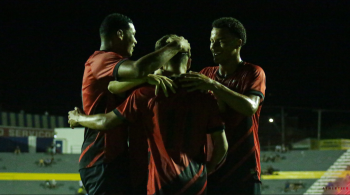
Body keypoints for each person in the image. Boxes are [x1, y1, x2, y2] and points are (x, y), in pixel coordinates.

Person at [69, 34, 228, 195]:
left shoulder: (146, 93)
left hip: (161, 184)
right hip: (196, 183)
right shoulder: (206, 97)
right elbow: (222, 147)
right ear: (189, 63)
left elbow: (107, 118)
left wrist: (79, 118)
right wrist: (205, 170)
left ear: (161, 61)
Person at [78, 13, 190, 195]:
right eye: (133, 34)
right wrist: (176, 46)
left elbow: (115, 86)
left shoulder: (133, 81)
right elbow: (138, 69)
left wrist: (147, 77)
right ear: (120, 34)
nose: (136, 41)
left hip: (118, 159)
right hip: (101, 158)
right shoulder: (101, 59)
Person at [180, 17, 266, 194]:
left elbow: (250, 107)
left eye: (221, 41)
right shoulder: (206, 73)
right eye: (212, 41)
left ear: (238, 43)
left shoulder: (253, 72)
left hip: (243, 167)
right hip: (212, 166)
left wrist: (213, 86)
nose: (214, 46)